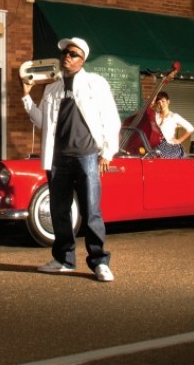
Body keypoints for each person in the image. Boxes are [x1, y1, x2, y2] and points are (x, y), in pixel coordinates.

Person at [22, 37, 121, 282]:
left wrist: (107, 152)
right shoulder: (52, 88)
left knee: (91, 210)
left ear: (82, 59)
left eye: (73, 53)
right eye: (65, 52)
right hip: (57, 158)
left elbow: (111, 118)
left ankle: (99, 262)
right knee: (59, 211)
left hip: (86, 155)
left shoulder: (95, 83)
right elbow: (42, 122)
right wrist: (26, 96)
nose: (67, 56)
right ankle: (64, 259)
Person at [153, 91, 194, 158]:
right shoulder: (155, 115)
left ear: (168, 101)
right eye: (158, 102)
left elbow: (190, 128)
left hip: (169, 150)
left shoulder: (174, 116)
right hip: (157, 149)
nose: (161, 104)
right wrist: (152, 101)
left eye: (163, 101)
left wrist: (179, 140)